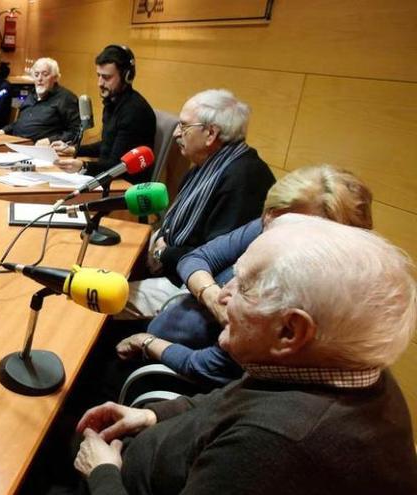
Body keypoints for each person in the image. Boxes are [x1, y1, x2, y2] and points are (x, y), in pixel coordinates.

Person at [74, 215, 417, 494]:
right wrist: (153, 416)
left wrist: (102, 474)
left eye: (244, 285)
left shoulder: (274, 447)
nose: (222, 294)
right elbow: (232, 398)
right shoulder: (335, 367)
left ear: (290, 331)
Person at [116, 165, 374, 386]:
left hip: (176, 370)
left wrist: (146, 342)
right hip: (175, 323)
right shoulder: (274, 221)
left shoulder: (305, 292)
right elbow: (195, 258)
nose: (266, 225)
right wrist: (211, 295)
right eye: (269, 213)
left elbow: (209, 367)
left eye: (282, 222)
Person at [125, 89, 275, 318]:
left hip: (195, 286)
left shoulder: (245, 178)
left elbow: (218, 258)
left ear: (211, 133)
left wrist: (164, 255)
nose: (176, 133)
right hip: (172, 260)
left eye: (184, 126)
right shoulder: (208, 164)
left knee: (111, 300)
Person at [52, 45, 156, 183]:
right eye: (98, 76)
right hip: (109, 177)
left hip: (124, 186)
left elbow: (119, 166)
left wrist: (84, 166)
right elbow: (107, 145)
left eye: (106, 77)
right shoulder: (112, 102)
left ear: (127, 76)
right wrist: (74, 150)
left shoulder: (134, 112)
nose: (100, 83)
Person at [0, 57, 80, 143]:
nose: (39, 79)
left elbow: (75, 132)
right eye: (36, 75)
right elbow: (21, 123)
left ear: (55, 77)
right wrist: (4, 131)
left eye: (45, 74)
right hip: (15, 144)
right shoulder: (30, 95)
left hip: (43, 150)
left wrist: (49, 140)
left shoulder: (66, 98)